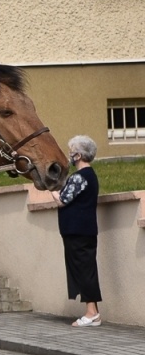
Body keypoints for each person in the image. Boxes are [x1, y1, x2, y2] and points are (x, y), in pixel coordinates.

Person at [58, 134, 103, 327]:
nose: (70, 154)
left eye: (72, 151)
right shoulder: (88, 175)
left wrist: (51, 191)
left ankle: (91, 312)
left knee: (83, 270)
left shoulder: (79, 177)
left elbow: (63, 199)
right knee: (86, 269)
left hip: (78, 231)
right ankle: (94, 314)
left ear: (79, 155)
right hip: (83, 230)